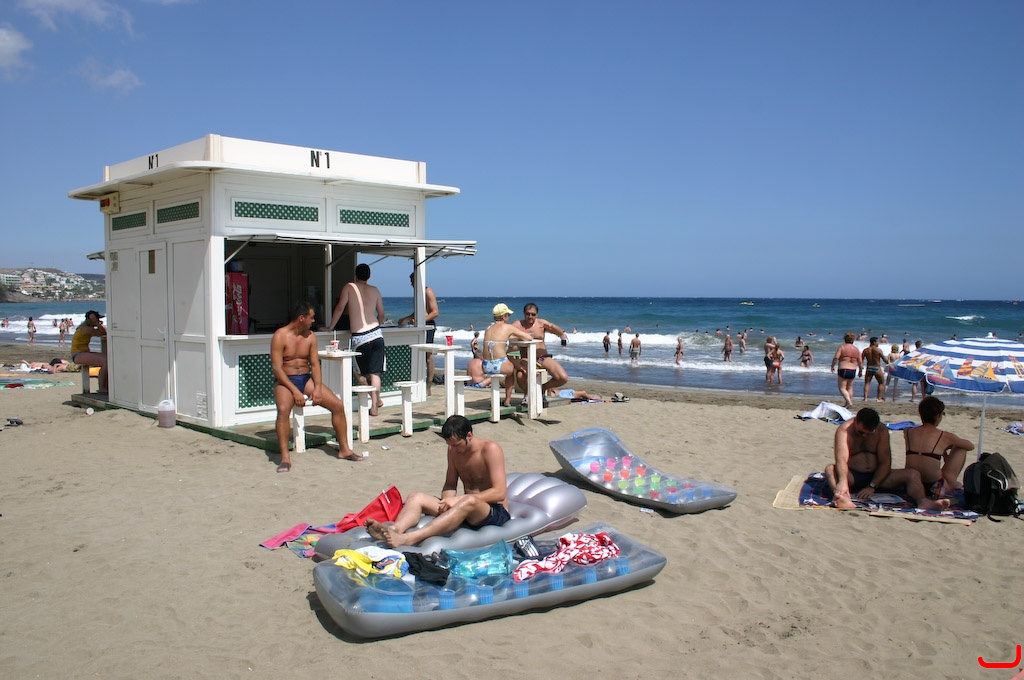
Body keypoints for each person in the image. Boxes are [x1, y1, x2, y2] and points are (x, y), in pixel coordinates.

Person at [365, 415, 508, 548]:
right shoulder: (453, 450)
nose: (453, 450)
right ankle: (394, 530)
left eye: (457, 445)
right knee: (416, 497)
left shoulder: (490, 449)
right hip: (465, 507)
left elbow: (499, 492)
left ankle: (410, 538)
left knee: (469, 500)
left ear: (469, 436)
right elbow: (450, 484)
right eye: (450, 445)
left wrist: (458, 500)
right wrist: (447, 501)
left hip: (493, 511)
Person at [272, 300, 362, 472]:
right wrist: (294, 391)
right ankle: (285, 457)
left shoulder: (310, 336)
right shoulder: (280, 336)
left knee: (337, 406)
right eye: (311, 317)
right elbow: (277, 368)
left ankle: (344, 449)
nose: (313, 321)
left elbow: (314, 364)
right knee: (283, 410)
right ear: (301, 318)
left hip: (305, 379)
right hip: (285, 381)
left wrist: (318, 388)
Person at [824, 408, 950, 511]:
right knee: (830, 470)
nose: (865, 436)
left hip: (878, 477)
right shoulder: (844, 431)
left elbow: (885, 462)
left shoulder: (881, 430)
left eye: (869, 433)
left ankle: (923, 502)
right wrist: (843, 482)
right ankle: (842, 498)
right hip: (853, 475)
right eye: (861, 432)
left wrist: (872, 486)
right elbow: (841, 459)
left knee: (913, 474)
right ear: (856, 421)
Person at [328, 263, 385, 416]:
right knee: (375, 373)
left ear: (355, 275)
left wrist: (330, 327)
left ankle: (374, 400)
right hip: (376, 334)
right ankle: (376, 404)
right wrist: (377, 325)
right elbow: (381, 314)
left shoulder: (349, 287)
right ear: (369, 276)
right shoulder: (375, 290)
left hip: (360, 337)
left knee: (359, 374)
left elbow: (340, 308)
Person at [903, 396, 974, 498]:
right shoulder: (944, 436)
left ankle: (953, 484)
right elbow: (970, 446)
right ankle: (952, 484)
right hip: (934, 489)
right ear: (938, 416)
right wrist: (947, 446)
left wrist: (942, 448)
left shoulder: (908, 432)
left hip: (911, 484)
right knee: (961, 448)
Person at [510, 303, 570, 394]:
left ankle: (542, 388)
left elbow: (560, 333)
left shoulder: (541, 323)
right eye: (528, 314)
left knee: (562, 377)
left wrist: (551, 326)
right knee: (520, 376)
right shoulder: (518, 324)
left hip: (542, 358)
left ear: (537, 314)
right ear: (524, 313)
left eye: (533, 314)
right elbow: (506, 334)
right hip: (526, 359)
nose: (530, 316)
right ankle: (527, 395)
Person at [482, 303, 534, 407]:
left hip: (485, 365)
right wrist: (518, 336)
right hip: (499, 365)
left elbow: (500, 338)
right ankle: (507, 400)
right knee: (511, 371)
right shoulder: (508, 327)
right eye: (508, 315)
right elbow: (529, 338)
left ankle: (523, 370)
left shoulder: (488, 328)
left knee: (510, 359)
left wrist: (512, 337)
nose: (509, 317)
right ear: (504, 316)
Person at [397, 272, 439, 394]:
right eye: (411, 281)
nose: (411, 284)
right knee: (416, 352)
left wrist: (421, 320)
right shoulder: (418, 293)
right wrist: (405, 319)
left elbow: (435, 312)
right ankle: (418, 381)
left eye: (413, 281)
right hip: (420, 325)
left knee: (428, 356)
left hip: (428, 325)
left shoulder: (428, 292)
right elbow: (419, 311)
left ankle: (428, 386)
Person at [71, 311, 108, 393]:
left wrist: (97, 323)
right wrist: (97, 323)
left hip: (82, 353)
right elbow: (103, 332)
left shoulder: (85, 327)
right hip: (78, 354)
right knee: (106, 362)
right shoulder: (86, 329)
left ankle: (105, 386)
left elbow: (102, 332)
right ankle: (102, 387)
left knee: (108, 359)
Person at [830, 332, 861, 408]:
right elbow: (860, 361)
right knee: (850, 387)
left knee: (842, 388)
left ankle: (849, 402)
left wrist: (832, 366)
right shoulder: (856, 349)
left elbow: (836, 357)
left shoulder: (842, 347)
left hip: (844, 369)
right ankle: (847, 403)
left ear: (845, 339)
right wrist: (860, 370)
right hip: (853, 370)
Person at [861, 336, 889, 402]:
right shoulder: (878, 350)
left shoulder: (865, 350)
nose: (878, 343)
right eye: (877, 342)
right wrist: (891, 363)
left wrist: (860, 368)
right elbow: (885, 360)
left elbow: (861, 359)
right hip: (876, 368)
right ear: (874, 342)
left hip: (869, 368)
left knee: (867, 383)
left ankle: (865, 398)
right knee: (881, 382)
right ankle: (879, 398)